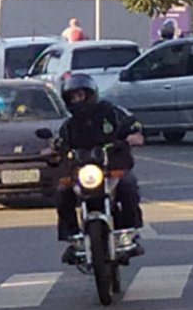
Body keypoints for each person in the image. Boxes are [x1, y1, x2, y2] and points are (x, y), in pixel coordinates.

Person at [52, 71, 145, 263]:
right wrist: (52, 149)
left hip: (112, 168)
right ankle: (72, 238)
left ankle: (129, 231)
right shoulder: (69, 126)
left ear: (90, 93)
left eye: (81, 95)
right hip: (83, 173)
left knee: (127, 185)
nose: (78, 100)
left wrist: (133, 135)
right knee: (63, 192)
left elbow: (132, 123)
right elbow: (59, 143)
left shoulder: (110, 112)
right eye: (73, 97)